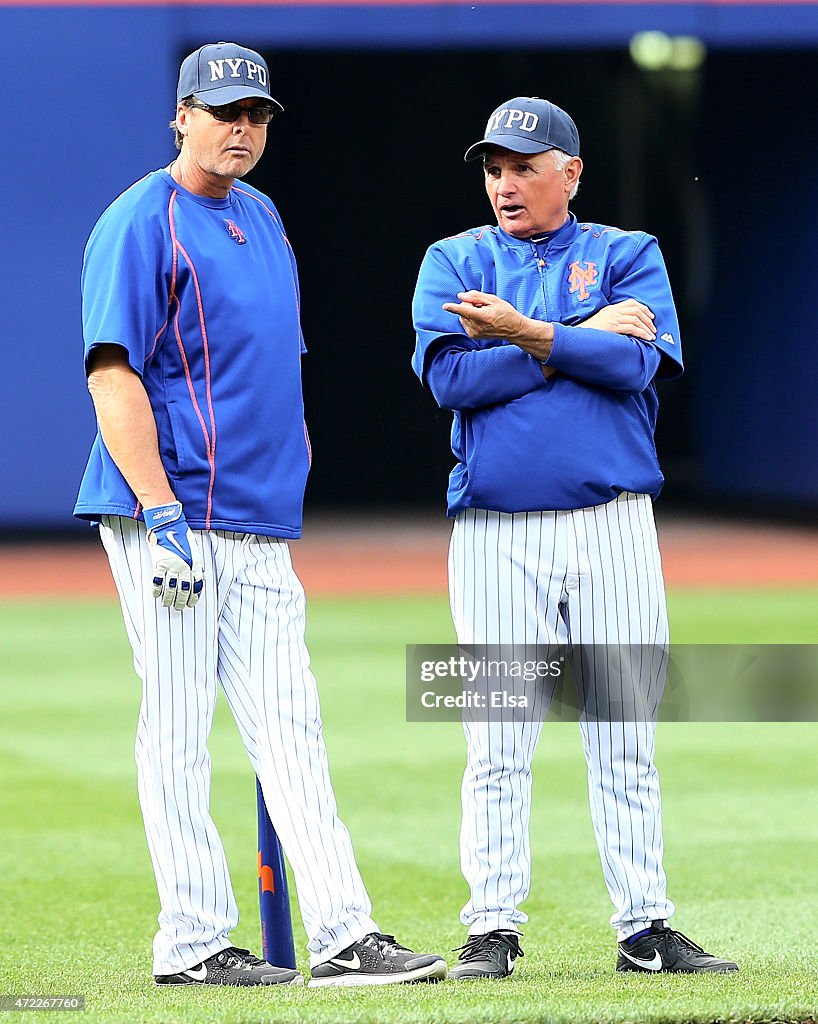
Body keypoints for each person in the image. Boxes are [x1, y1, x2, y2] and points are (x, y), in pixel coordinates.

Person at [75, 40, 446, 989]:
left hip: (258, 518)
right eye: (224, 111)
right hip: (176, 514)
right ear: (182, 115)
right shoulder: (139, 220)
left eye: (256, 115)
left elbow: (277, 358)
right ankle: (192, 943)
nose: (241, 128)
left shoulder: (263, 213)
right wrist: (156, 513)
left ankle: (343, 935)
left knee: (293, 727)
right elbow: (112, 374)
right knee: (178, 727)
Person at [411, 96, 737, 978]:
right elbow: (452, 383)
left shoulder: (626, 253)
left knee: (624, 732)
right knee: (497, 739)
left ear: (571, 172)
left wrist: (518, 336)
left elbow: (634, 364)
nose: (506, 183)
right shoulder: (453, 259)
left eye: (524, 165)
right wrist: (566, 340)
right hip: (494, 531)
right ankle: (491, 927)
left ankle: (645, 929)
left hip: (612, 525)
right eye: (494, 167)